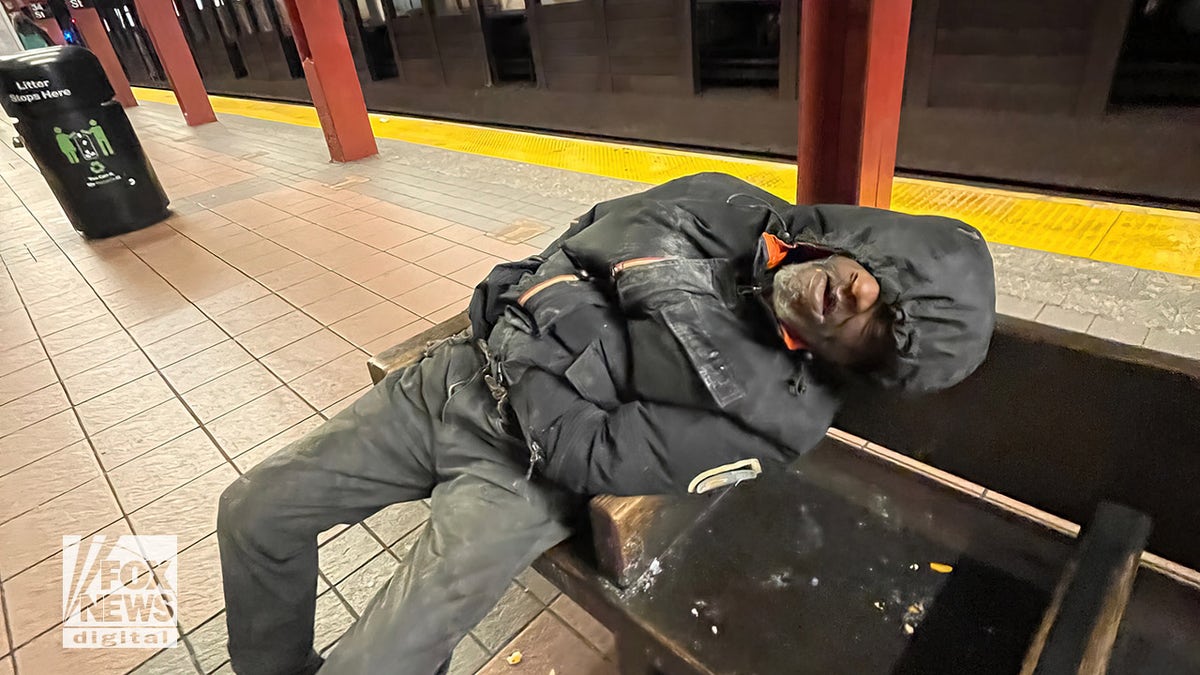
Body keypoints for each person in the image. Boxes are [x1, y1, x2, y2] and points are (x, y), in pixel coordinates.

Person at [217, 173, 996, 674]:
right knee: (253, 511)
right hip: (447, 379)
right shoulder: (722, 202)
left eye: (884, 331)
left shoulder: (776, 415)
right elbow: (570, 243)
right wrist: (522, 330)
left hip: (518, 474)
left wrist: (519, 342)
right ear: (870, 245)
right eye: (885, 282)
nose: (859, 301)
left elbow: (589, 450)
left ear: (861, 366)